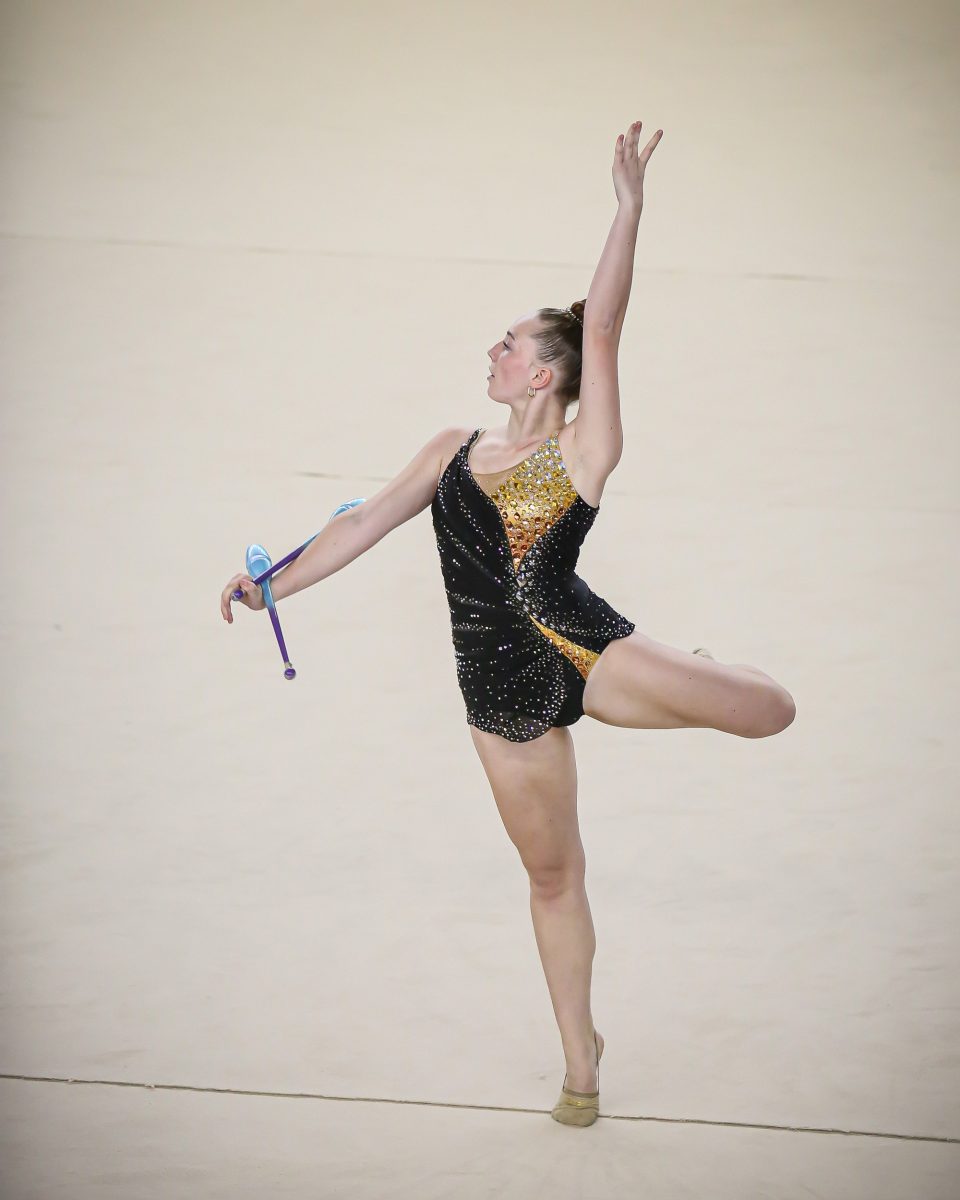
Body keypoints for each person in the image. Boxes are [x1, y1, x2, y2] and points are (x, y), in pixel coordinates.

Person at [220, 120, 797, 1128]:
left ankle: (699, 667)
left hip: (588, 653)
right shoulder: (452, 448)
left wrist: (627, 210)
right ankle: (582, 1062)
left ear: (542, 376)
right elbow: (361, 523)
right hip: (497, 693)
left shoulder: (581, 453)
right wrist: (278, 587)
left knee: (771, 712)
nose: (491, 350)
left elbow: (603, 330)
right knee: (552, 875)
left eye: (509, 343)